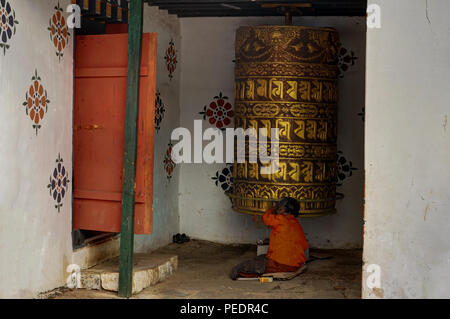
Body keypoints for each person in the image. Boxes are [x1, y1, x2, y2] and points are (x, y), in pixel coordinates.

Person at [230, 197, 309, 280]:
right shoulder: (296, 224)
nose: (278, 209)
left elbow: (266, 218)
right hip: (296, 265)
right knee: (261, 257)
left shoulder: (281, 219)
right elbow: (304, 245)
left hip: (281, 265)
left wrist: (272, 209)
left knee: (241, 268)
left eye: (280, 208)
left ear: (284, 210)